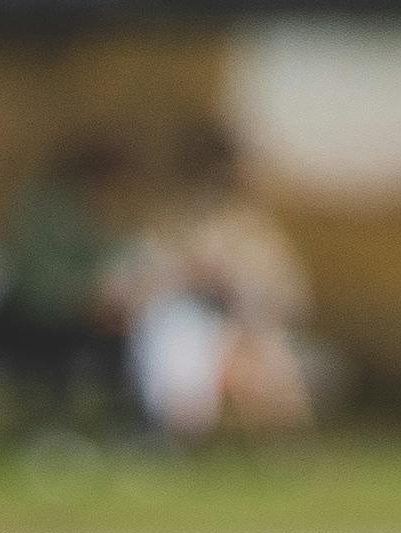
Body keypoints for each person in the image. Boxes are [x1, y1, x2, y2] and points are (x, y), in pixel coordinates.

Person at [117, 130, 317, 441]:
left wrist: (240, 309)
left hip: (248, 331)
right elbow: (127, 294)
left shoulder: (255, 233)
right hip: (179, 330)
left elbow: (288, 299)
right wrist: (182, 279)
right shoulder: (165, 228)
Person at [0, 140, 132, 424]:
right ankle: (50, 422)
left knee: (123, 341)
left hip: (80, 316)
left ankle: (119, 421)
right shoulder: (47, 211)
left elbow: (111, 264)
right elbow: (37, 276)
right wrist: (86, 301)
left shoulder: (94, 214)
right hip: (36, 317)